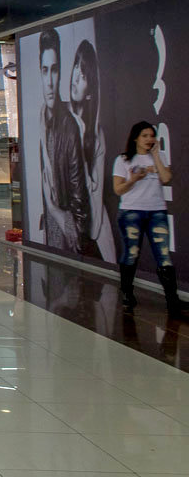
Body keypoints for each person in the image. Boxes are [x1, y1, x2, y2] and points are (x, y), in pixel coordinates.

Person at [113, 121, 184, 316]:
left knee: (164, 255)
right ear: (136, 137)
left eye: (151, 136)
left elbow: (166, 178)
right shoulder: (123, 159)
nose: (149, 139)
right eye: (144, 136)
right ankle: (127, 292)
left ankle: (172, 300)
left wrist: (155, 157)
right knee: (131, 253)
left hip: (157, 212)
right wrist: (133, 179)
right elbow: (118, 189)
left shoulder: (159, 156)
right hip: (131, 212)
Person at [37, 28, 92, 254]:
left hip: (65, 238)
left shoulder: (68, 127)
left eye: (55, 70)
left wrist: (76, 234)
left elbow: (79, 194)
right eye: (45, 70)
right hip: (50, 234)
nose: (49, 81)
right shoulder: (42, 120)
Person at [69, 40, 111, 262]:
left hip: (90, 219)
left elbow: (96, 195)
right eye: (76, 65)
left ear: (90, 91)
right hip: (70, 216)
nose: (75, 76)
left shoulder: (96, 135)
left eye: (83, 75)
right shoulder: (58, 118)